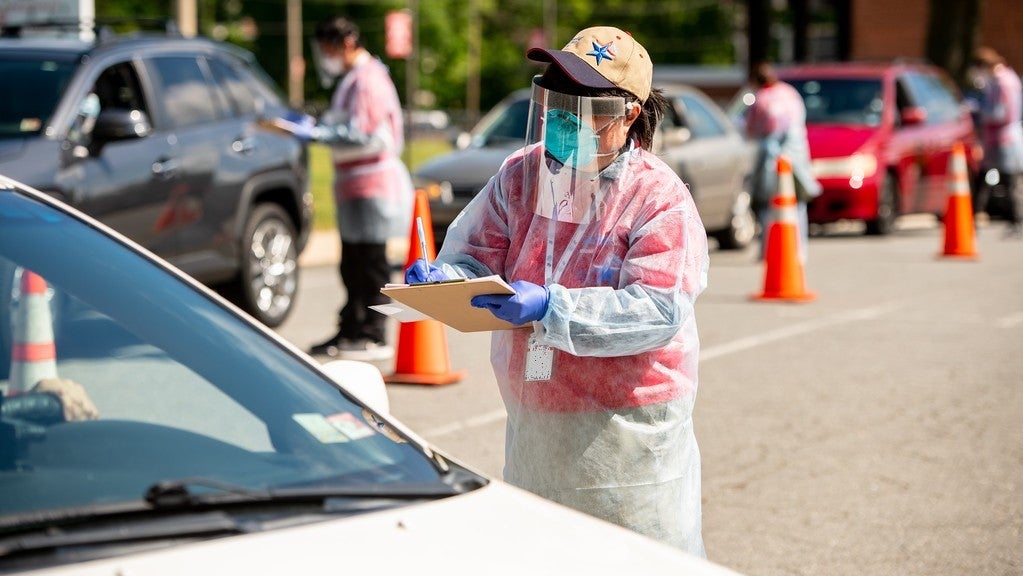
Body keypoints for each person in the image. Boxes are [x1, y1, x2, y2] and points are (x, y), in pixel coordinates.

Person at [405, 26, 709, 556]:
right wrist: (448, 280)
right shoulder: (523, 176)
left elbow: (658, 308)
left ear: (628, 114)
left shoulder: (658, 198)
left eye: (582, 108)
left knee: (636, 558)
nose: (562, 121)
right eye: (555, 103)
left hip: (627, 434)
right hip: (537, 417)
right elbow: (479, 253)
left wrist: (554, 305)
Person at [307, 16, 414, 360]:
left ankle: (373, 332)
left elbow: (365, 134)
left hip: (372, 184)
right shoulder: (352, 79)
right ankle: (351, 326)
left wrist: (317, 134)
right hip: (354, 184)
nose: (326, 57)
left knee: (371, 264)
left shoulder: (368, 80)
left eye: (328, 49)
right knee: (352, 263)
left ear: (347, 43)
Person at [744, 61, 821, 262]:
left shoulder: (760, 99)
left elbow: (751, 130)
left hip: (772, 160)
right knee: (798, 204)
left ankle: (768, 250)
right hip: (797, 157)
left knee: (768, 205)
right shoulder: (790, 93)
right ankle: (799, 251)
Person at [972, 46, 1023, 238]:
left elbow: (1000, 113)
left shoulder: (1004, 83)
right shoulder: (1002, 80)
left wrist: (979, 111)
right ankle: (977, 215)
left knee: (1006, 180)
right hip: (998, 138)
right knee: (988, 178)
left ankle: (1016, 220)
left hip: (1004, 139)